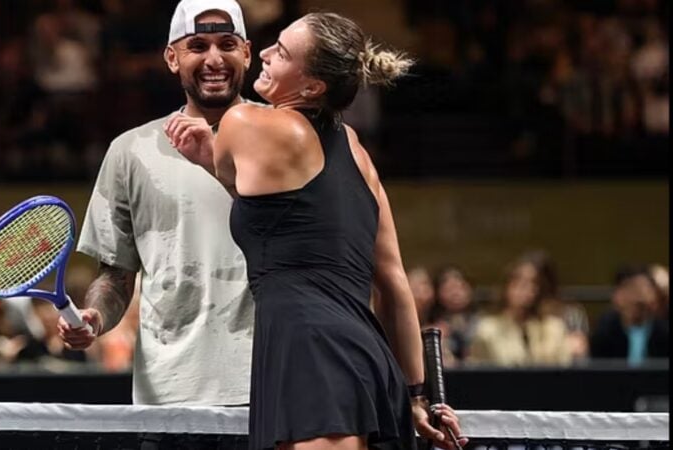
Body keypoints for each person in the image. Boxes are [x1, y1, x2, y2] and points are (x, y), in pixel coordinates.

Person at [166, 12, 465, 450]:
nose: (265, 53)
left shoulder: (243, 121)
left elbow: (236, 175)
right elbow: (393, 282)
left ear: (312, 87)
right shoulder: (357, 150)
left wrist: (214, 158)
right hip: (371, 363)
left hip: (314, 357)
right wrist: (416, 395)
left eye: (282, 52)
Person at [59, 0, 255, 406]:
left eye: (227, 44)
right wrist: (96, 316)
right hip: (168, 390)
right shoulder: (130, 151)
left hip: (269, 384)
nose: (214, 59)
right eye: (197, 46)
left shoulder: (289, 138)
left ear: (247, 54)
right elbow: (116, 275)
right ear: (172, 58)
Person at [468, 256, 572, 367]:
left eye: (532, 284)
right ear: (506, 287)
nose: (525, 290)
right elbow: (477, 370)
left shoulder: (554, 327)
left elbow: (564, 367)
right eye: (518, 283)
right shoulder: (487, 329)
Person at [590, 265, 669, 366]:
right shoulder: (605, 331)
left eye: (645, 289)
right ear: (617, 295)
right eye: (632, 289)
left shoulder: (663, 332)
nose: (638, 296)